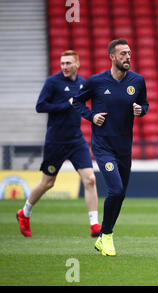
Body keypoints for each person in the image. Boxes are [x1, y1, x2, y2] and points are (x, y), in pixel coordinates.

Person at [72, 39, 149, 256]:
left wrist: (140, 110)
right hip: (103, 146)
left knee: (120, 193)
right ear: (112, 57)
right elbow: (77, 102)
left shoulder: (138, 81)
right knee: (115, 189)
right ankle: (106, 236)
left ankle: (104, 236)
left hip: (124, 146)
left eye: (129, 53)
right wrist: (91, 116)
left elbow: (145, 104)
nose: (128, 57)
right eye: (123, 53)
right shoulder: (96, 82)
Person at [16, 50, 101, 238]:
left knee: (90, 179)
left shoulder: (82, 83)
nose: (64, 67)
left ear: (77, 64)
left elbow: (82, 106)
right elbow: (40, 106)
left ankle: (94, 224)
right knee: (48, 182)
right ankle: (25, 213)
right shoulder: (52, 83)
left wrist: (93, 116)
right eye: (62, 63)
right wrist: (65, 104)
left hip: (76, 140)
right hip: (56, 141)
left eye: (68, 63)